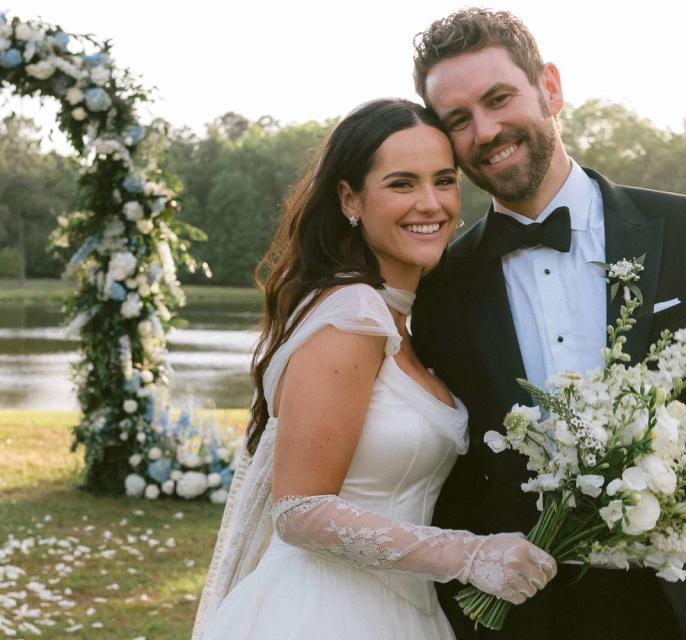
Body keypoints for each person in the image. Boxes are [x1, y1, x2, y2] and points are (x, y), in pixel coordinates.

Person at [410, 9, 686, 640]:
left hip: (679, 608)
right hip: (516, 618)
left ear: (550, 88)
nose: (486, 129)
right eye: (458, 120)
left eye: (499, 98)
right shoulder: (443, 282)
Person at [191, 98, 557, 640]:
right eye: (402, 184)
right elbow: (299, 508)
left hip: (402, 608)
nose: (430, 204)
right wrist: (470, 555)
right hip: (323, 612)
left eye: (444, 180)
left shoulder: (403, 318)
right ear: (349, 199)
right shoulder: (353, 314)